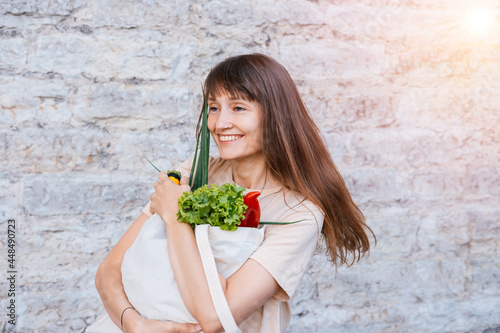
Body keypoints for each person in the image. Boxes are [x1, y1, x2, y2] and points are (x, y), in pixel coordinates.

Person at [94, 53, 374, 333]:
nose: (219, 123)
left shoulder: (299, 214)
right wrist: (133, 323)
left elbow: (214, 318)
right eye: (214, 107)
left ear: (276, 115)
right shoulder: (193, 173)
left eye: (238, 108)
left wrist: (176, 216)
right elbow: (109, 269)